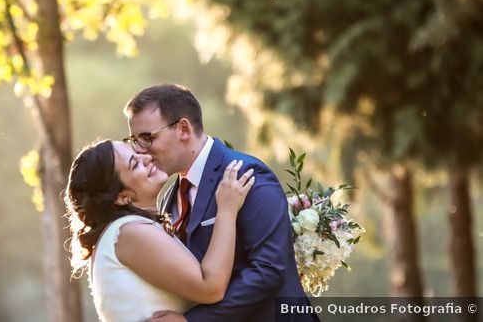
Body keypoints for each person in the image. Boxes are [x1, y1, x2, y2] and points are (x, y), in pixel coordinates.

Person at [124, 83, 317, 321]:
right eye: (134, 141)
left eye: (147, 137)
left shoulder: (246, 174)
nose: (140, 151)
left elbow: (268, 271)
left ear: (183, 129)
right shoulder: (168, 198)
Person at [65, 139, 255, 322]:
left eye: (136, 153)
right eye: (134, 164)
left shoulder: (126, 231)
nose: (146, 158)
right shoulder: (129, 232)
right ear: (122, 196)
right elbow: (210, 287)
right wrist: (227, 209)